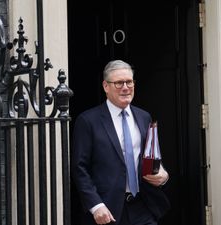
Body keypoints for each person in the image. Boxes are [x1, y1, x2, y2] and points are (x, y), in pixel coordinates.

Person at [71, 60, 170, 225]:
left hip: (143, 206)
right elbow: (79, 168)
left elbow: (151, 156)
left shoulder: (144, 117)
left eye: (129, 82)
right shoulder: (88, 121)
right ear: (105, 86)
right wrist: (95, 205)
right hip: (108, 210)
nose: (125, 87)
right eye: (118, 83)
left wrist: (163, 174)